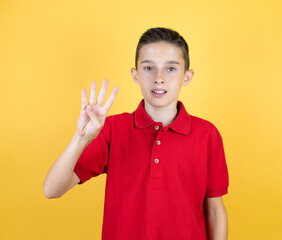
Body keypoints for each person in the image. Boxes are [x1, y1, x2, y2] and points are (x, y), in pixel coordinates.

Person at [43, 27, 229, 240]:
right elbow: (52, 190)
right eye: (149, 68)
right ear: (135, 75)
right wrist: (81, 138)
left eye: (171, 69)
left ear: (187, 76)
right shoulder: (112, 129)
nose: (159, 78)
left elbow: (215, 210)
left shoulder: (207, 135)